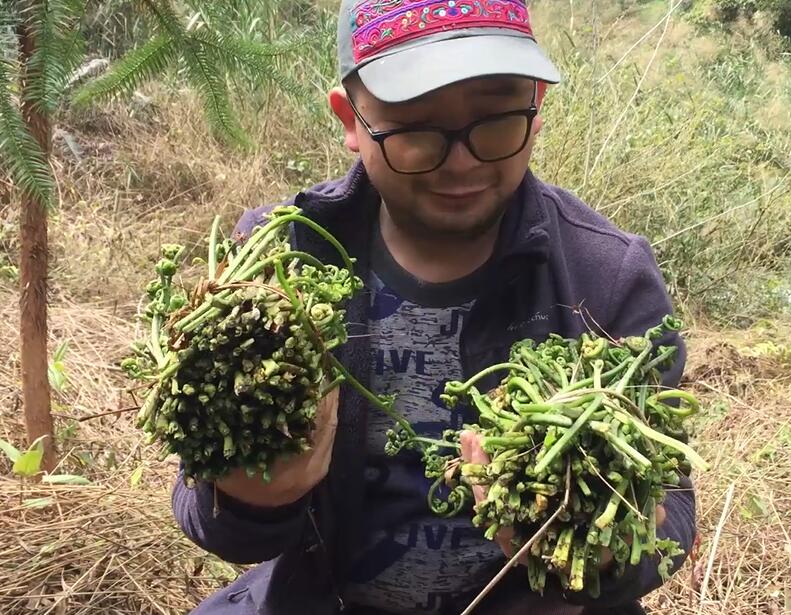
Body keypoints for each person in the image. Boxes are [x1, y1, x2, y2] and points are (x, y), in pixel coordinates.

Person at [172, 1, 697, 613]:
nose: (462, 162)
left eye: (496, 120)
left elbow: (669, 508)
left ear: (536, 106)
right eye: (416, 127)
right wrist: (253, 500)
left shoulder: (604, 275)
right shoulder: (278, 261)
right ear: (350, 119)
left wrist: (599, 550)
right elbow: (205, 504)